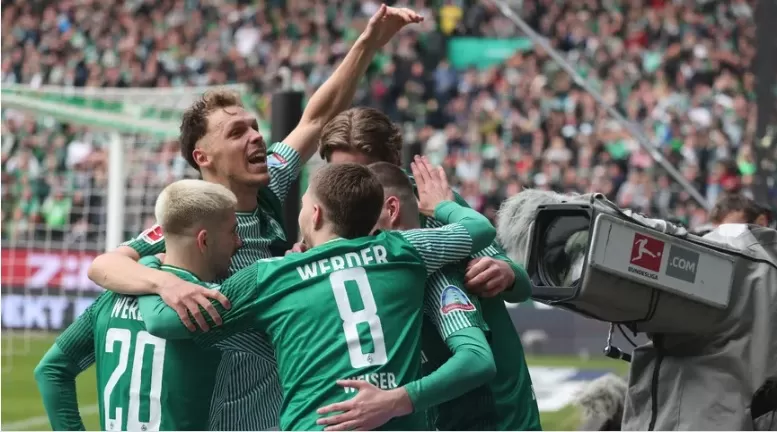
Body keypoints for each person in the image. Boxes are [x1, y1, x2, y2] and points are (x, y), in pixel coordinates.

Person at [85, 6, 423, 430]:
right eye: (237, 132)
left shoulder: (268, 186)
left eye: (254, 126)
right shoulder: (193, 219)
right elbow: (103, 265)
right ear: (203, 157)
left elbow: (317, 118)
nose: (256, 137)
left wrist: (368, 43)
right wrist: (164, 283)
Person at [134, 161, 498, 430]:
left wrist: (151, 268)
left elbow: (164, 321)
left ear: (316, 213)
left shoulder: (272, 275)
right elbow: (480, 228)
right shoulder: (405, 249)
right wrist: (442, 203)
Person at [316, 107, 541, 430]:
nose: (348, 190)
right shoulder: (335, 218)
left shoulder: (435, 208)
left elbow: (521, 285)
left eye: (360, 175)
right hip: (430, 402)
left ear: (392, 163)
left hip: (496, 405)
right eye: (339, 173)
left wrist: (506, 273)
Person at [34, 180, 242, 431]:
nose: (239, 242)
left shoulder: (110, 299)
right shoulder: (212, 301)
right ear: (204, 241)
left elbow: (50, 370)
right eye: (233, 232)